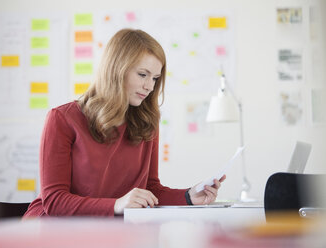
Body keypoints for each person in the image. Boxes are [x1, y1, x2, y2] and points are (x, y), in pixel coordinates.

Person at [23, 28, 226, 217]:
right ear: (116, 69)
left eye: (155, 78)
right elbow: (54, 202)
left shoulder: (147, 123)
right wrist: (116, 205)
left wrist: (189, 196)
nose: (149, 86)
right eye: (142, 74)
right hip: (54, 230)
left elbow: (150, 190)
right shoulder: (62, 118)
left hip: (108, 230)